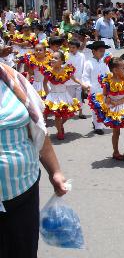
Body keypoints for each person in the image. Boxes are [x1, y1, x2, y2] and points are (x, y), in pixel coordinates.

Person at [0, 62, 67, 258]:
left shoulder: (12, 79)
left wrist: (55, 171)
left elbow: (37, 129)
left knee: (23, 250)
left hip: (22, 191)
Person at [90, 57, 124, 162]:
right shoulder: (107, 81)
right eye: (123, 68)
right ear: (115, 70)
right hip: (114, 109)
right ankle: (116, 151)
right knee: (116, 131)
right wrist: (108, 99)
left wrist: (119, 102)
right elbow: (105, 95)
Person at [43, 51, 85, 140]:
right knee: (57, 116)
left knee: (66, 116)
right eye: (52, 57)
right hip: (53, 96)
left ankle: (60, 125)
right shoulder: (48, 71)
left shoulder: (66, 70)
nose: (53, 59)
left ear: (62, 61)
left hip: (64, 95)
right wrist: (47, 95)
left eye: (56, 58)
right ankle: (59, 131)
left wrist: (83, 84)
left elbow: (75, 79)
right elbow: (45, 83)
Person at [82, 41, 110, 135]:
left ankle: (98, 122)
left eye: (103, 51)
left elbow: (108, 74)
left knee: (103, 107)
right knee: (96, 108)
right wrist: (87, 86)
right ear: (93, 51)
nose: (102, 53)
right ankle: (98, 126)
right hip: (93, 89)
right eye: (100, 51)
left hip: (104, 89)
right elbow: (85, 76)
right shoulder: (88, 63)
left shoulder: (104, 63)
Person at [66, 39, 87, 119]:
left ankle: (80, 112)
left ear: (77, 48)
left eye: (73, 47)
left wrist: (84, 80)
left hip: (79, 80)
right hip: (69, 81)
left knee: (79, 97)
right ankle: (69, 111)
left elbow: (84, 67)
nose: (71, 49)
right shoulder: (66, 55)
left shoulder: (82, 56)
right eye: (70, 47)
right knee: (69, 97)